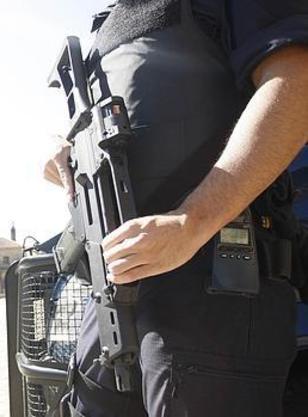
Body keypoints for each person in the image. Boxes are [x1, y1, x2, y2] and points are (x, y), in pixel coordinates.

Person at [43, 2, 308, 416]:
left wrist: (191, 222)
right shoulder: (113, 19)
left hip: (212, 289)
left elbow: (296, 83)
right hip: (113, 285)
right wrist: (69, 149)